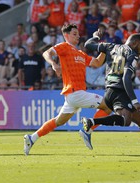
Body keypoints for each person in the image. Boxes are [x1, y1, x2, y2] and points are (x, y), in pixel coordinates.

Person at [23, 24, 110, 155]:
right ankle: (87, 130)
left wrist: (103, 49)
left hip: (73, 95)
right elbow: (47, 53)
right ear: (66, 35)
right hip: (75, 93)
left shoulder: (81, 53)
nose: (78, 36)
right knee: (108, 106)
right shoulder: (64, 47)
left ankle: (32, 138)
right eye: (74, 34)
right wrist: (53, 64)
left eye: (78, 34)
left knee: (59, 121)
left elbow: (97, 63)